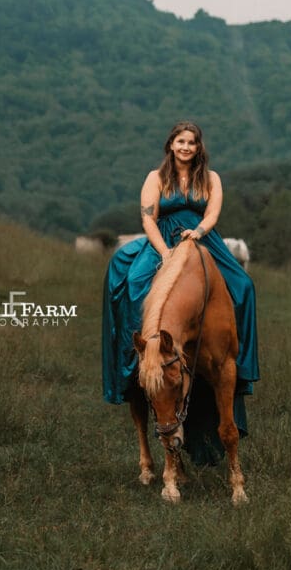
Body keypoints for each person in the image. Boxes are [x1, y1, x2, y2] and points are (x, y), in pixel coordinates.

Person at [101, 121, 260, 465]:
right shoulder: (155, 178)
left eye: (192, 142)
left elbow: (213, 212)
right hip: (163, 241)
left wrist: (198, 232)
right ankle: (140, 360)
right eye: (180, 141)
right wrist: (164, 252)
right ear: (170, 145)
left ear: (199, 147)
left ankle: (237, 359)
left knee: (243, 288)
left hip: (200, 238)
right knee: (133, 287)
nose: (186, 147)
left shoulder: (211, 178)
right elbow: (148, 219)